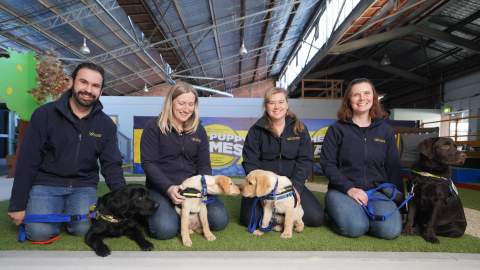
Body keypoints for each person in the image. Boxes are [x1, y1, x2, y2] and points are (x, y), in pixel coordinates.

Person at [8, 62, 126, 242]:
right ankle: (53, 211)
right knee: (39, 232)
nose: (88, 89)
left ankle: (66, 212)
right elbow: (28, 161)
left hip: (83, 187)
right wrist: (17, 204)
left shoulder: (106, 125)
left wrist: (125, 199)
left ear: (101, 91)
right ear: (72, 82)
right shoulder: (44, 115)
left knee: (83, 229)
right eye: (83, 82)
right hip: (46, 184)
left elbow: (112, 165)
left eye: (95, 86)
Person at [140, 81, 228, 240]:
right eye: (181, 103)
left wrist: (201, 189)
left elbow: (204, 165)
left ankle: (182, 215)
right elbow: (149, 163)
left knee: (219, 220)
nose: (186, 109)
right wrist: (168, 188)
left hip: (193, 189)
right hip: (162, 188)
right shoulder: (153, 127)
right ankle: (162, 215)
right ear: (170, 103)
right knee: (165, 230)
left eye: (190, 104)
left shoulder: (199, 130)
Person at [320, 78, 403, 239]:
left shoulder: (385, 130)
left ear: (374, 97)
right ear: (348, 100)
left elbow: (393, 166)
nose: (362, 98)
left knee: (390, 231)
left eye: (366, 93)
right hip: (343, 190)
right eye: (356, 95)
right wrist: (349, 188)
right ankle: (337, 213)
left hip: (377, 191)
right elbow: (327, 164)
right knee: (355, 228)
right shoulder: (337, 129)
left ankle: (362, 215)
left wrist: (400, 202)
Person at [240, 87, 324, 228]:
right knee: (248, 219)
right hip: (263, 186)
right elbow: (250, 162)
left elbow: (305, 160)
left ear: (286, 104)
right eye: (272, 103)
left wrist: (296, 187)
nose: (277, 107)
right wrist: (262, 190)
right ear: (266, 106)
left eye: (281, 102)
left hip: (290, 185)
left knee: (316, 218)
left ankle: (278, 217)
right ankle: (281, 218)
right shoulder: (255, 131)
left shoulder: (300, 129)